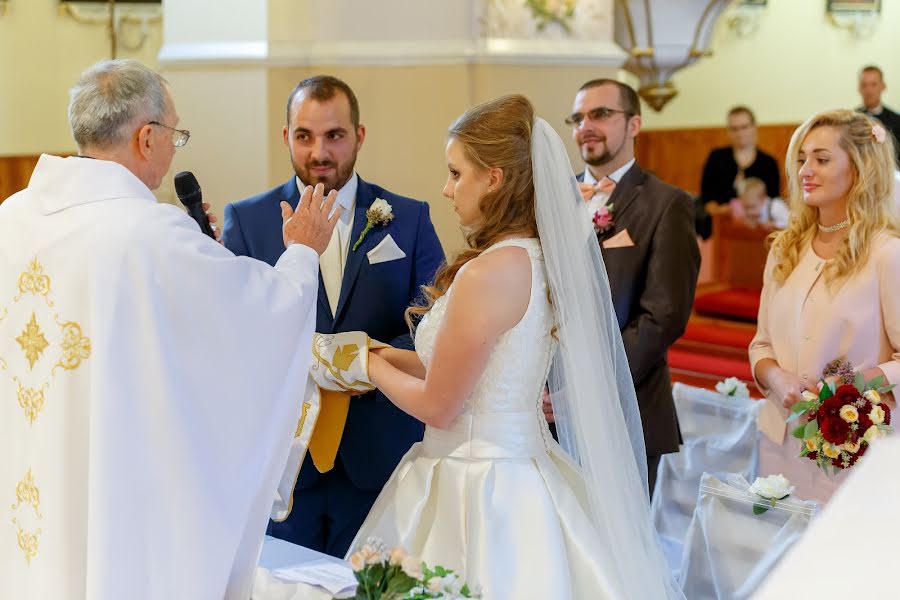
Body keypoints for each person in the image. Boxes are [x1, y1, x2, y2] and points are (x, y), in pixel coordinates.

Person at [0, 59, 340, 600]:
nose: (175, 148)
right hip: (117, 488)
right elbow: (262, 316)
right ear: (146, 137)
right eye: (175, 134)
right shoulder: (151, 235)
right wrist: (301, 251)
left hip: (30, 482)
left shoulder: (11, 220)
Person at [340, 94, 682, 599]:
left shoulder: (489, 271)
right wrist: (395, 358)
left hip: (476, 483)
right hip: (524, 472)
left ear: (494, 178)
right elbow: (482, 365)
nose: (446, 188)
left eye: (456, 173)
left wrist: (366, 365)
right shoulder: (534, 257)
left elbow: (439, 405)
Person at [222, 75, 444, 557]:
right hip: (285, 459)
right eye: (304, 136)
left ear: (359, 136)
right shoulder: (248, 219)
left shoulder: (409, 218)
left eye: (334, 136)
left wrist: (366, 360)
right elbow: (233, 331)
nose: (319, 152)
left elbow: (434, 325)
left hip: (381, 450)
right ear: (286, 138)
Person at [749, 109, 900, 505]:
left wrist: (852, 384)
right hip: (780, 440)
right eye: (801, 159)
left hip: (853, 446)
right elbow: (760, 345)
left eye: (821, 159)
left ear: (860, 168)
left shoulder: (887, 254)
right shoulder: (785, 248)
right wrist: (777, 379)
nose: (805, 171)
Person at [568, 78, 700, 493]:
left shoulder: (667, 204)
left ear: (635, 124)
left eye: (601, 114)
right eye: (578, 117)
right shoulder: (550, 197)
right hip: (549, 407)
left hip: (627, 404)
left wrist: (588, 382)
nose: (586, 125)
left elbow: (663, 315)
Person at [701, 105, 781, 214]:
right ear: (728, 131)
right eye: (734, 129)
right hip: (721, 222)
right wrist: (721, 213)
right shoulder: (716, 158)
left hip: (758, 224)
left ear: (753, 127)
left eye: (744, 127)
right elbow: (707, 198)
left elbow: (773, 202)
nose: (739, 133)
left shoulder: (768, 163)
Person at [857, 65, 900, 161]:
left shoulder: (897, 121)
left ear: (883, 86)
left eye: (873, 84)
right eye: (864, 85)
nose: (868, 90)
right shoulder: (851, 120)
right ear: (859, 88)